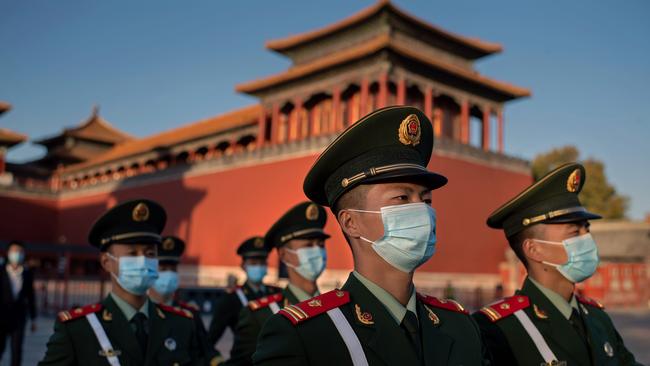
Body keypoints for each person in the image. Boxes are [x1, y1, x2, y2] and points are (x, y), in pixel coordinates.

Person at [253, 106, 487, 365]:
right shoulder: (306, 337)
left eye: (426, 199)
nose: (421, 210)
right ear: (351, 222)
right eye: (402, 197)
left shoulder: (461, 326)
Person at [473, 163, 641, 365]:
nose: (587, 238)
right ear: (533, 249)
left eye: (586, 229)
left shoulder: (598, 318)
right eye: (574, 232)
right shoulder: (497, 328)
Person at [39, 199, 203, 366]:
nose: (143, 261)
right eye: (132, 254)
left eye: (150, 254)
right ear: (106, 262)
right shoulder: (79, 329)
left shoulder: (181, 324)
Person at [226, 202, 330, 366]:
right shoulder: (260, 315)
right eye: (308, 245)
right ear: (284, 255)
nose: (317, 251)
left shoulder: (336, 308)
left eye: (321, 245)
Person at [149, 235, 222, 365]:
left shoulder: (190, 314)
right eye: (163, 269)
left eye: (173, 269)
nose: (169, 274)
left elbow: (207, 351)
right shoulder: (141, 313)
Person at [207, 236, 280, 355]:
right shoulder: (232, 299)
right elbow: (210, 340)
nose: (258, 267)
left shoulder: (277, 293)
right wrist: (217, 361)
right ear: (243, 266)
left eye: (262, 263)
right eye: (253, 263)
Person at [0, 240, 36, 366]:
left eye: (20, 251)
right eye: (14, 251)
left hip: (19, 318)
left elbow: (31, 297)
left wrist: (33, 319)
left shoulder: (27, 273)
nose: (17, 254)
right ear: (8, 253)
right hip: (1, 317)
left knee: (17, 351)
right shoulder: (1, 271)